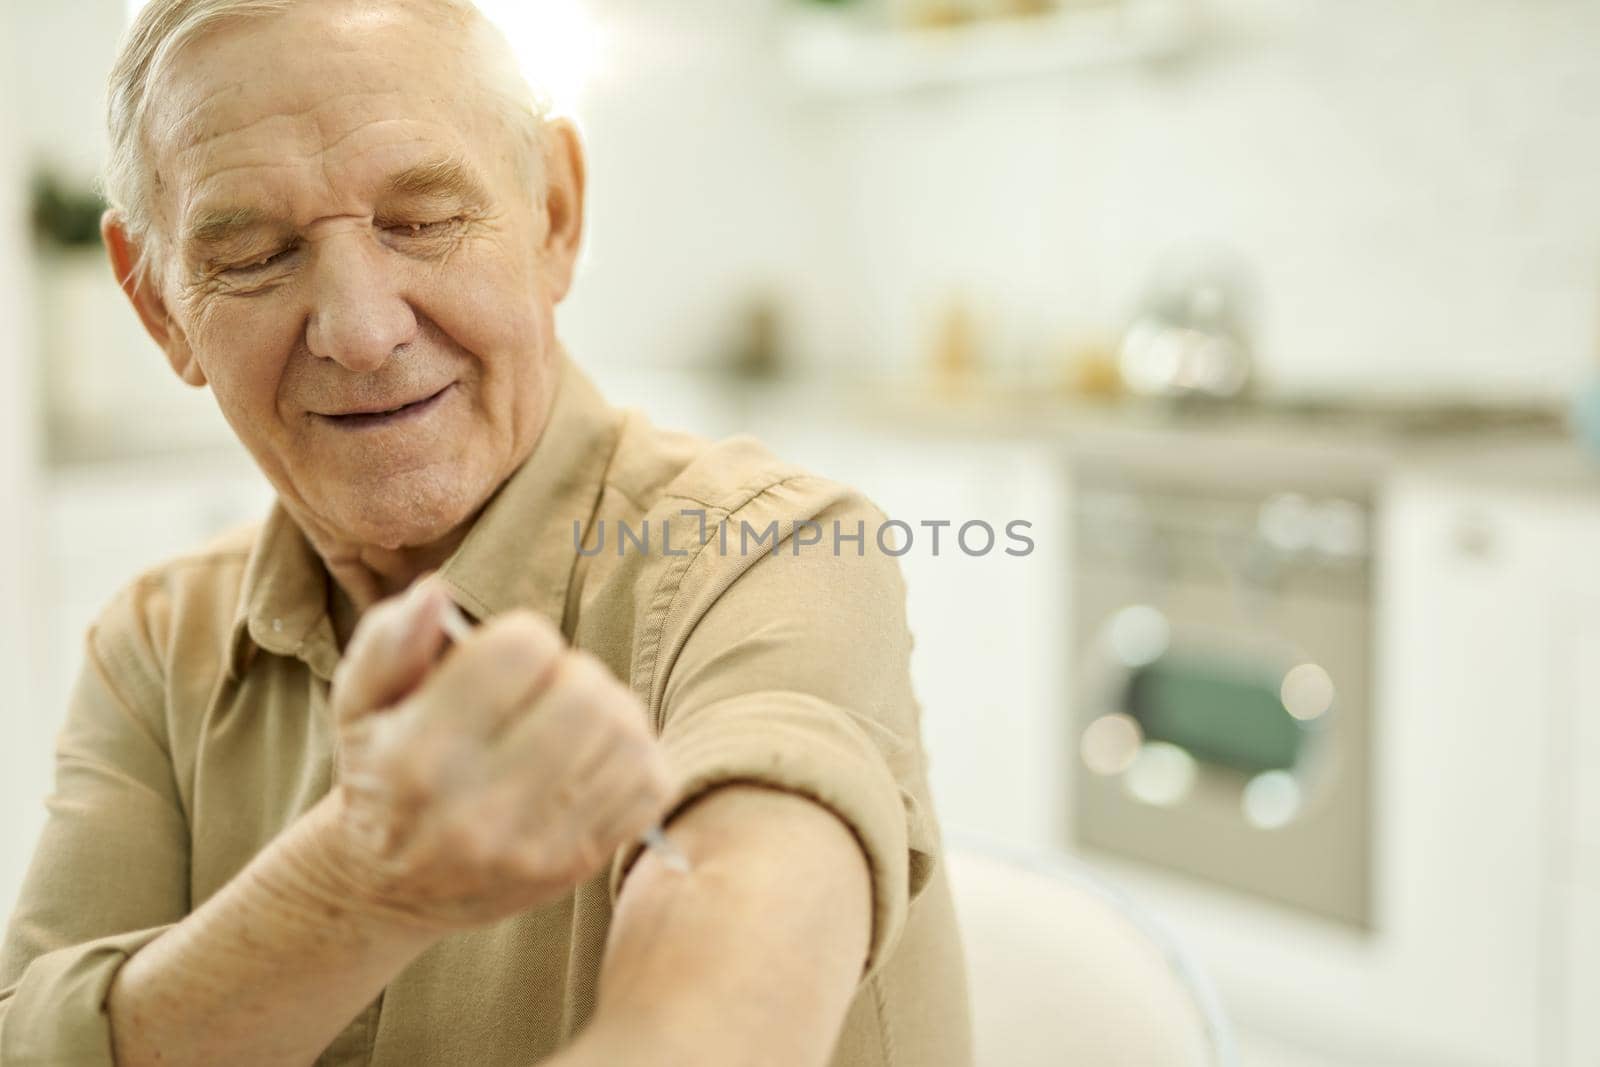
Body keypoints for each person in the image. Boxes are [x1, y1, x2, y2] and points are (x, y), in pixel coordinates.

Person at [0, 1, 971, 1064]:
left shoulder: (770, 555)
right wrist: (360, 880)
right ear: (160, 306)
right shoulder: (156, 645)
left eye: (422, 220)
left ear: (554, 215)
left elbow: (709, 1021)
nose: (363, 333)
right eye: (258, 255)